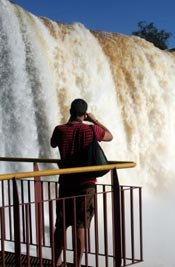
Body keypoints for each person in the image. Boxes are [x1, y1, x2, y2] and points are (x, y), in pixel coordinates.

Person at [50, 98, 113, 267]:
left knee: (61, 224)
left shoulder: (60, 129)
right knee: (81, 224)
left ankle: (56, 261)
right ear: (84, 114)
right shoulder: (92, 130)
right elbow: (110, 136)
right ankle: (77, 265)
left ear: (70, 111)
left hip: (66, 183)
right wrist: (94, 120)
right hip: (86, 184)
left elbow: (53, 143)